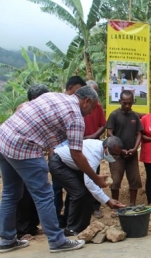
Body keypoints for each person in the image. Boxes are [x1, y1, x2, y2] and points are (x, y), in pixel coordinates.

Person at [0, 86, 106, 253]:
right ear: (86, 101)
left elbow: (24, 108)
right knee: (44, 194)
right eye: (93, 108)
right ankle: (57, 241)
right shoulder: (75, 116)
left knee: (10, 192)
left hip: (4, 137)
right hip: (23, 146)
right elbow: (77, 154)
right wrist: (95, 177)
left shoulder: (55, 96)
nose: (91, 113)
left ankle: (6, 239)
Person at [49, 137, 125, 235]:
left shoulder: (99, 149)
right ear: (105, 147)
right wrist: (107, 201)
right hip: (59, 163)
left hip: (71, 165)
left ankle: (83, 227)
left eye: (118, 155)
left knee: (87, 193)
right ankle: (71, 229)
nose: (115, 158)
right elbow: (89, 183)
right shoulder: (94, 154)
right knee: (79, 193)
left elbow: (90, 179)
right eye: (114, 154)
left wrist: (96, 177)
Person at [15, 84, 50, 240]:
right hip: (20, 155)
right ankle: (20, 230)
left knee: (34, 192)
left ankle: (33, 226)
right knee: (21, 193)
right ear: (36, 99)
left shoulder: (38, 111)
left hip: (33, 154)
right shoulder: (23, 108)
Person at [53, 76, 86, 228]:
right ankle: (60, 228)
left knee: (74, 192)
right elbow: (76, 153)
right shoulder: (73, 112)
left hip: (68, 157)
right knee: (56, 191)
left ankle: (67, 222)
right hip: (59, 157)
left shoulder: (55, 100)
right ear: (71, 87)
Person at [107, 90, 143, 210]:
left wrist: (135, 148)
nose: (127, 105)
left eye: (129, 103)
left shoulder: (135, 117)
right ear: (120, 102)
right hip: (117, 155)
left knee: (134, 179)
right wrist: (119, 149)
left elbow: (139, 133)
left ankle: (132, 204)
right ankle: (115, 205)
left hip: (132, 154)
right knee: (115, 180)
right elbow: (109, 132)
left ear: (133, 102)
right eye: (124, 103)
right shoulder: (114, 115)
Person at [83, 80, 107, 219]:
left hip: (94, 148)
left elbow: (103, 125)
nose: (94, 94)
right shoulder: (79, 106)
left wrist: (92, 136)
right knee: (81, 178)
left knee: (94, 176)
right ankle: (84, 207)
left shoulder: (97, 106)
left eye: (96, 91)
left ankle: (95, 207)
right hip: (79, 146)